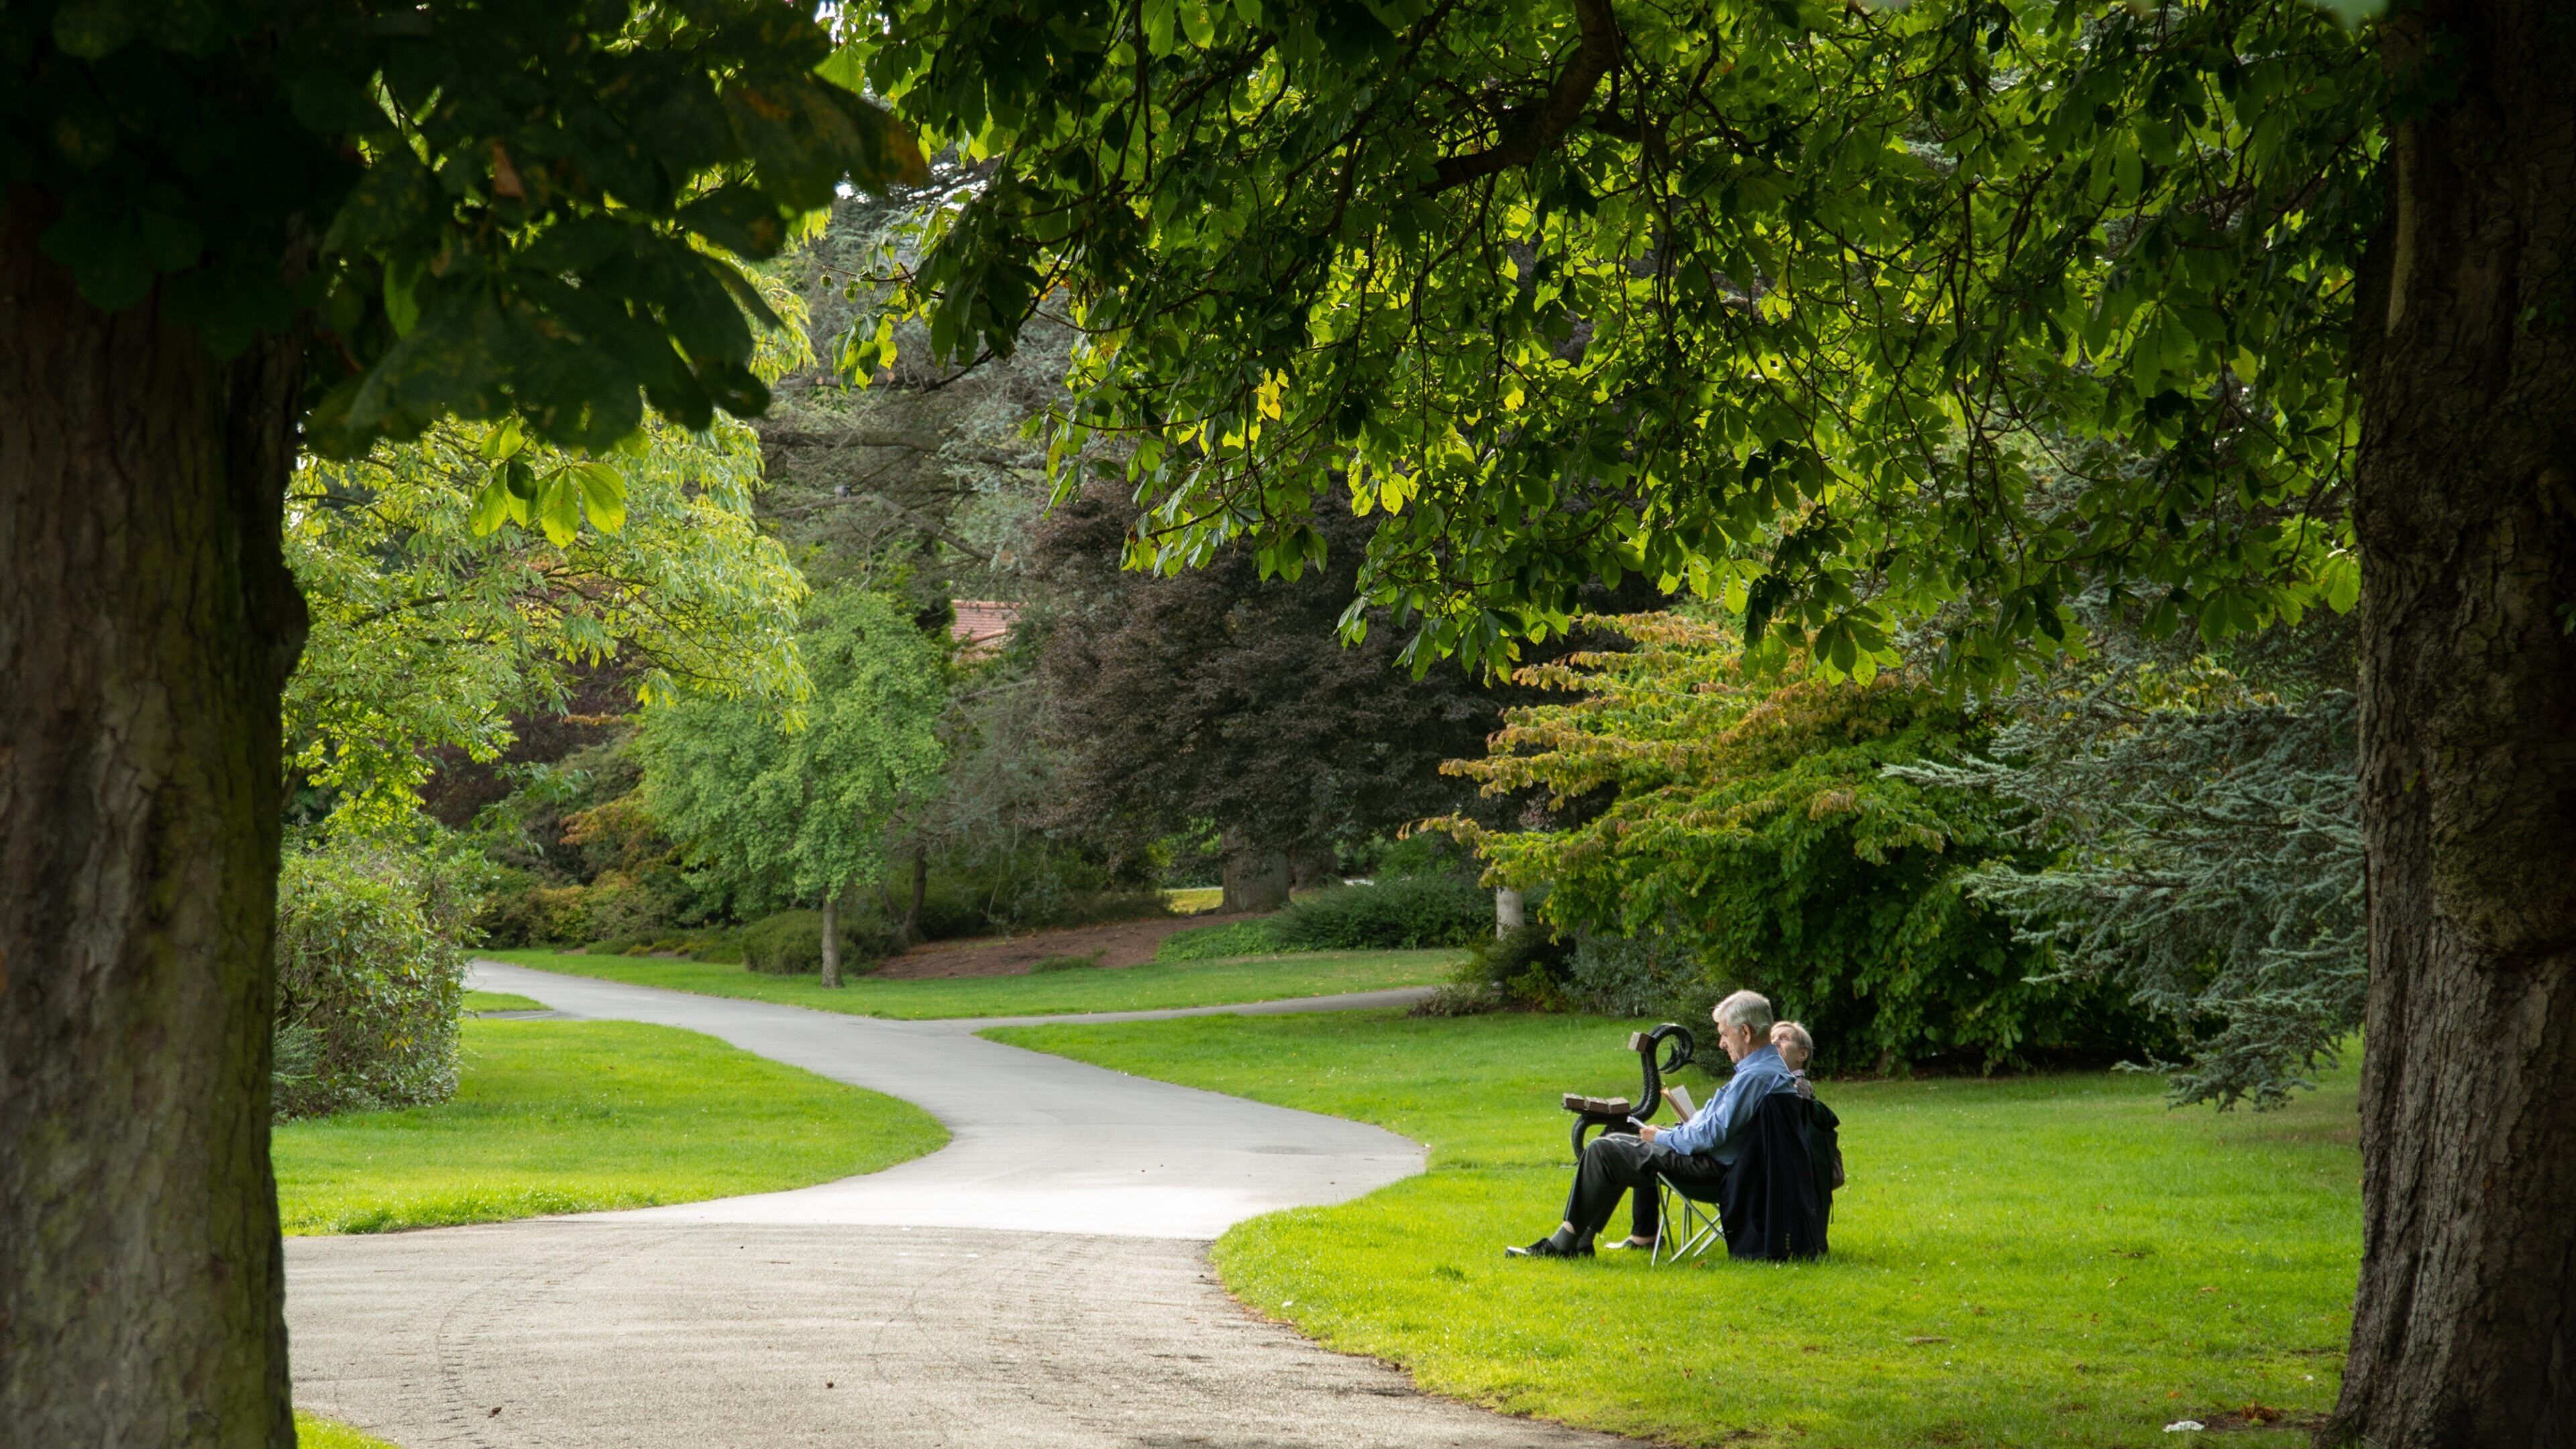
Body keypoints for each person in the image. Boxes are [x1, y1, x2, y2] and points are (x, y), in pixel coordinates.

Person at [1507, 989, 1796, 1258]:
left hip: (1716, 1171)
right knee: (1618, 1140)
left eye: (1724, 1034)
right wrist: (1673, 1133)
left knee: (1602, 1150)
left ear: (1745, 1032)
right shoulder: (1769, 1071)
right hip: (1725, 1165)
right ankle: (1581, 1240)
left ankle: (1563, 1244)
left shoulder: (1755, 1077)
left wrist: (1662, 1137)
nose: (1721, 1043)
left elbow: (1709, 1137)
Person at [1772, 1020, 1815, 1100]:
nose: (1774, 1042)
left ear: (1802, 1054)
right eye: (1771, 1038)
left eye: (1785, 1038)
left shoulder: (1800, 1085)